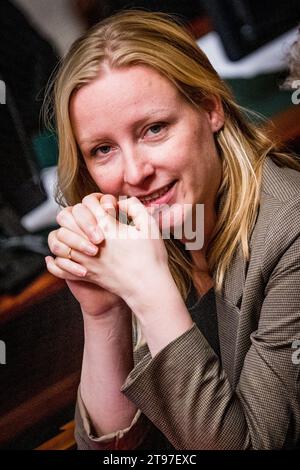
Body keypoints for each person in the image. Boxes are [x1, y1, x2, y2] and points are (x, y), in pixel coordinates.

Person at [45, 10, 300, 449]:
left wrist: (149, 291)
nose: (135, 172)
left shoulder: (291, 232)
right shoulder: (154, 234)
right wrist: (104, 312)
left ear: (210, 109)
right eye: (103, 149)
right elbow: (110, 450)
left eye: (154, 129)